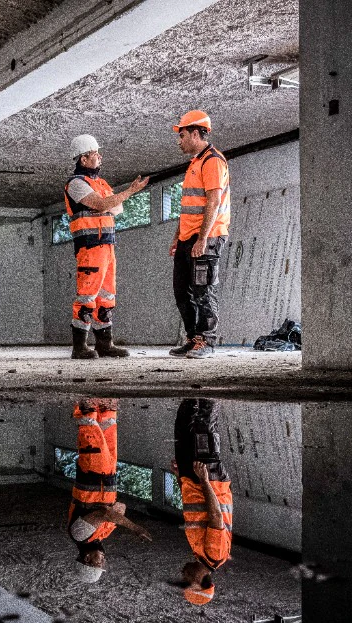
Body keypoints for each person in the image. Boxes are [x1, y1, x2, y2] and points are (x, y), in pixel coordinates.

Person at [64, 135, 149, 359]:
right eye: (95, 153)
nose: (100, 156)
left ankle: (104, 344)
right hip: (90, 248)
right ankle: (80, 347)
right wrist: (127, 192)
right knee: (87, 296)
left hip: (108, 246)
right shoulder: (76, 184)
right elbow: (103, 204)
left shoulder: (100, 184)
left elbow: (116, 209)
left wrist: (106, 205)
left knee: (107, 296)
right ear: (83, 159)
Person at [169, 110, 231, 359]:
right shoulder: (194, 163)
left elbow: (213, 202)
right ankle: (193, 338)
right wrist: (177, 236)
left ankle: (207, 341)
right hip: (188, 237)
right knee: (182, 291)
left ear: (196, 133)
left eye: (182, 135)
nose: (179, 140)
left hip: (208, 236)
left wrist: (203, 239)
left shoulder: (212, 161)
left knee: (203, 291)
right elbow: (188, 207)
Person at [67, 399, 152, 583]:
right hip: (108, 477)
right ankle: (107, 406)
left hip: (93, 474)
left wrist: (134, 528)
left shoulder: (79, 534)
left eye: (99, 563)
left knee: (92, 433)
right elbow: (121, 507)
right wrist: (113, 515)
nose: (104, 560)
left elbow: (108, 512)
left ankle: (87, 403)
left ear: (87, 559)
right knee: (108, 431)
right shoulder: (101, 535)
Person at [171, 398, 232, 604]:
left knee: (183, 427)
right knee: (204, 425)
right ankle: (211, 389)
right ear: (201, 581)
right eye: (187, 582)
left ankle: (191, 388)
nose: (183, 576)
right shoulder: (215, 555)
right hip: (208, 479)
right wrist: (205, 479)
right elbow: (215, 516)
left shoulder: (199, 552)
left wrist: (179, 478)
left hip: (192, 480)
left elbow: (192, 508)